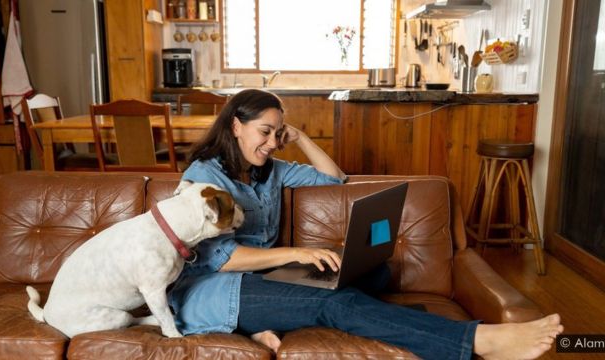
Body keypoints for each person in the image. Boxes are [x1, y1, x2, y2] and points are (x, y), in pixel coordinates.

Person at [168, 89, 563, 359]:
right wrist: (301, 253)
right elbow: (222, 259)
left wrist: (301, 135)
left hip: (264, 277)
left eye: (277, 133)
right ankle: (480, 339)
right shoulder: (204, 177)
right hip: (215, 290)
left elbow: (334, 177)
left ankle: (271, 320)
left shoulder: (269, 170)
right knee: (336, 302)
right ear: (236, 125)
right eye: (264, 132)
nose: (271, 143)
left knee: (372, 270)